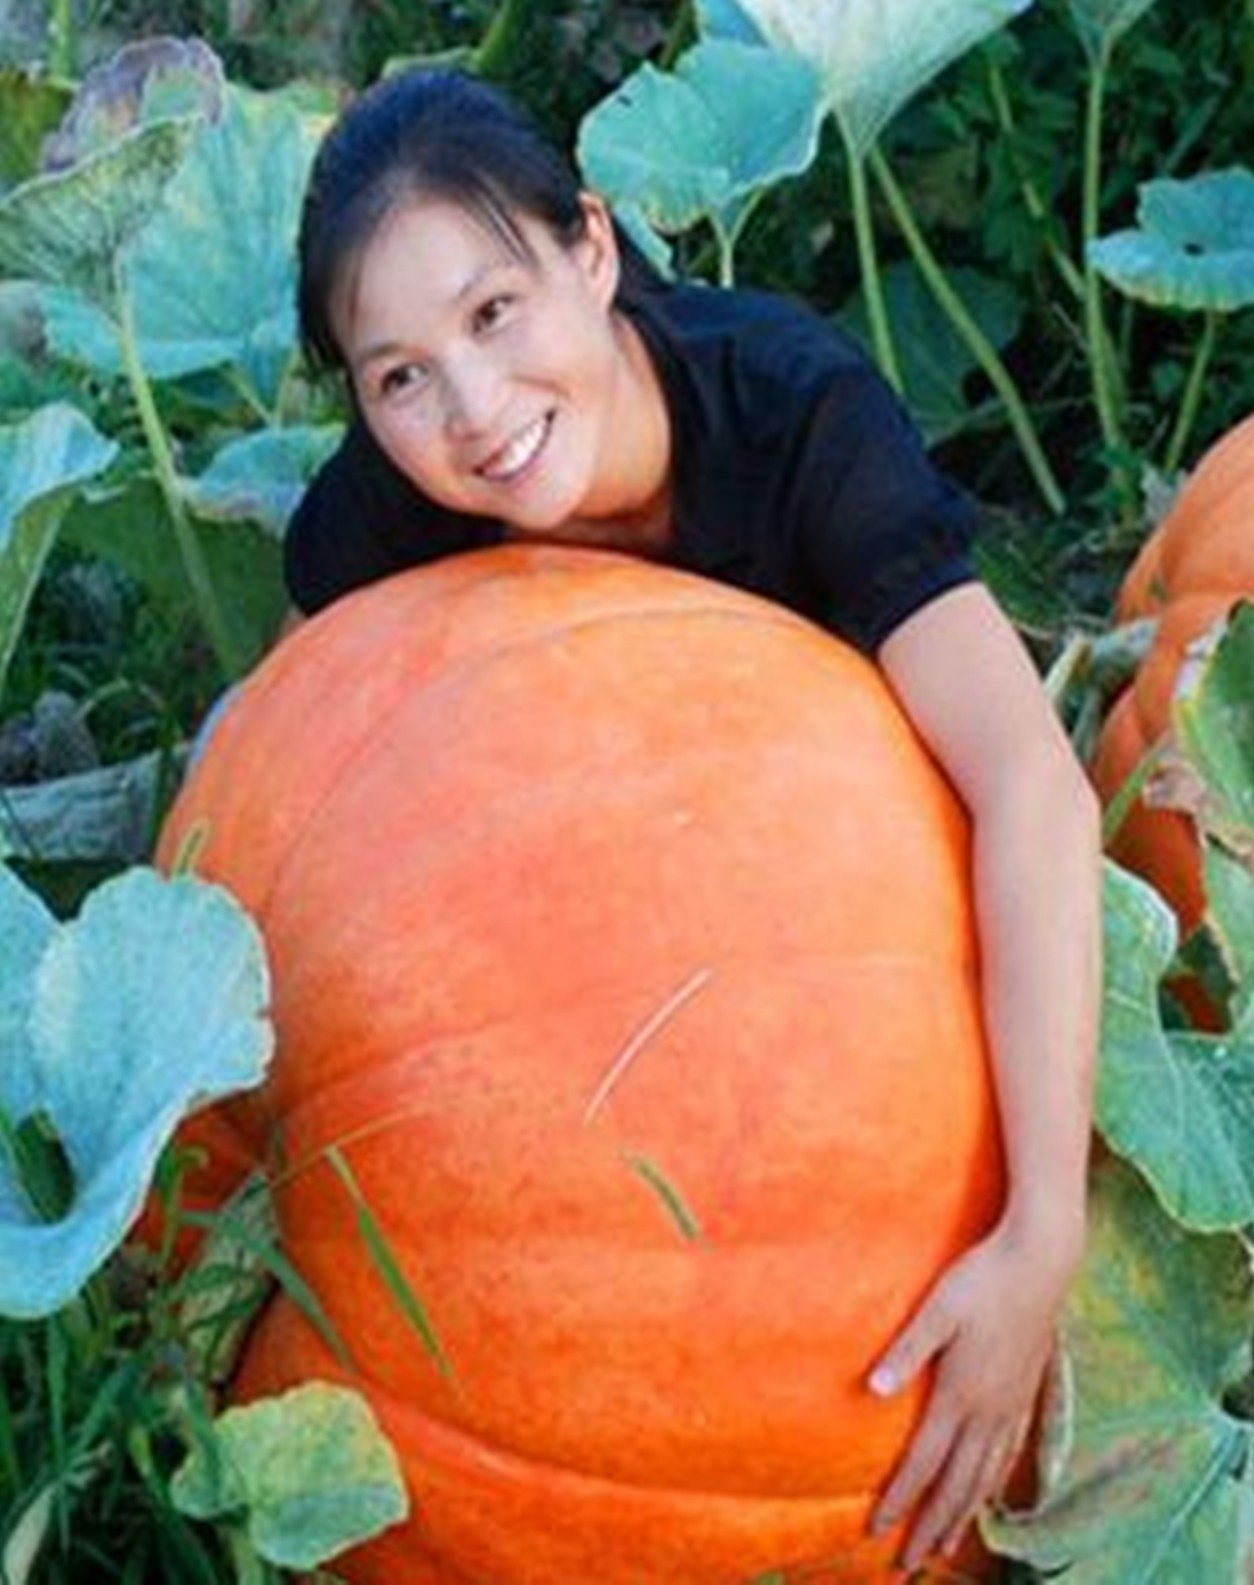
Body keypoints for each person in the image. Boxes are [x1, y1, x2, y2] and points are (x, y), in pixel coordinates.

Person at [282, 67, 1100, 1571]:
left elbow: (1032, 788)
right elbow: (300, 764)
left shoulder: (794, 417)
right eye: (395, 374)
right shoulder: (384, 517)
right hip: (598, 980)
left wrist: (1042, 1231)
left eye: (493, 313)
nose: (472, 413)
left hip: (856, 959)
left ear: (592, 250)